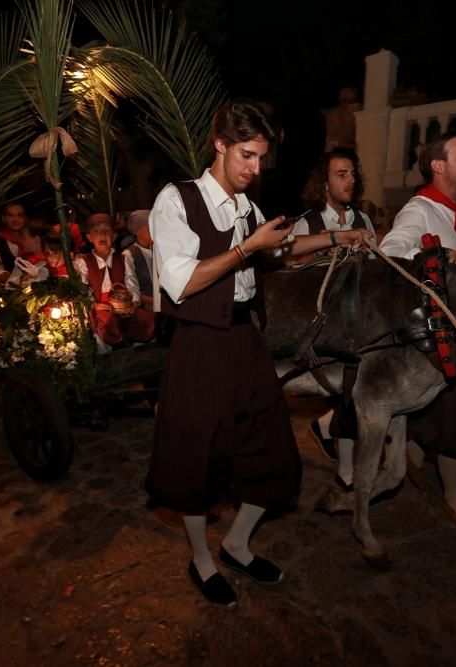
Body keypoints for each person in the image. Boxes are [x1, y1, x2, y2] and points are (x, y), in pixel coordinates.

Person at [147, 99, 370, 607]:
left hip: (245, 339)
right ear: (220, 145)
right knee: (197, 460)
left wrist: (339, 235)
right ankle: (202, 560)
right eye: (246, 155)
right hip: (199, 343)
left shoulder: (248, 206)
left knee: (272, 454)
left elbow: (283, 248)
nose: (254, 168)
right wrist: (247, 248)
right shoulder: (177, 200)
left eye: (261, 158)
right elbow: (180, 283)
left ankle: (237, 543)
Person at [379, 132, 456, 539]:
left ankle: (412, 451)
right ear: (438, 165)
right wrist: (436, 257)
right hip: (437, 339)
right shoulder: (421, 209)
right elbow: (390, 253)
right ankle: (453, 493)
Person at [293, 148, 375, 490]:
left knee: (356, 385)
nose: (350, 180)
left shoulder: (363, 220)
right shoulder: (308, 222)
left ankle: (328, 429)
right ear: (324, 183)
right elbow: (292, 261)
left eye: (352, 174)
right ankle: (343, 463)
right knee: (347, 386)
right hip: (317, 328)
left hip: (358, 319)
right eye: (341, 174)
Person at [72, 213, 156, 349]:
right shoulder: (84, 261)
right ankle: (118, 346)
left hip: (123, 304)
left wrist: (134, 303)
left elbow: (131, 283)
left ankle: (134, 346)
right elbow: (83, 289)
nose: (102, 235)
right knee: (110, 324)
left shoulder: (123, 258)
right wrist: (94, 305)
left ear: (114, 236)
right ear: (89, 238)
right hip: (102, 307)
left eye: (107, 231)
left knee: (148, 320)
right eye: (96, 231)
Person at [0, 202, 32, 283]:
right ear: (3, 218)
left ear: (25, 218)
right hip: (10, 293)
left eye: (19, 215)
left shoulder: (33, 237)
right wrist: (15, 282)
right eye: (10, 215)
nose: (16, 219)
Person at [124, 210, 155, 309]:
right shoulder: (129, 255)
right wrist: (157, 302)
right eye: (150, 227)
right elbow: (132, 289)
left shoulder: (159, 249)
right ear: (137, 230)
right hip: (147, 309)